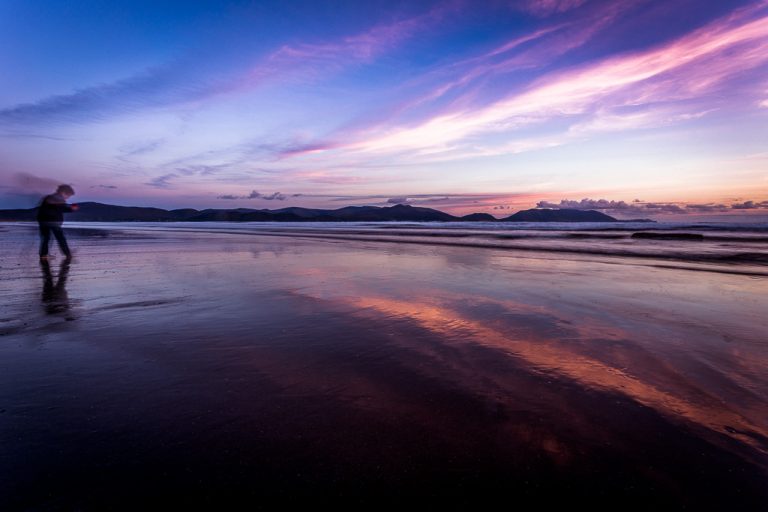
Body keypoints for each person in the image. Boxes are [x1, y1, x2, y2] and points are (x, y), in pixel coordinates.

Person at [37, 184, 79, 260]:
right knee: (60, 238)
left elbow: (43, 209)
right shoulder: (58, 198)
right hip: (53, 221)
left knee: (46, 238)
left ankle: (43, 254)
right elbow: (62, 208)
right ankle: (68, 254)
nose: (67, 198)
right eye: (68, 195)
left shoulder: (49, 197)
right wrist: (72, 209)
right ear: (64, 192)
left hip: (43, 221)